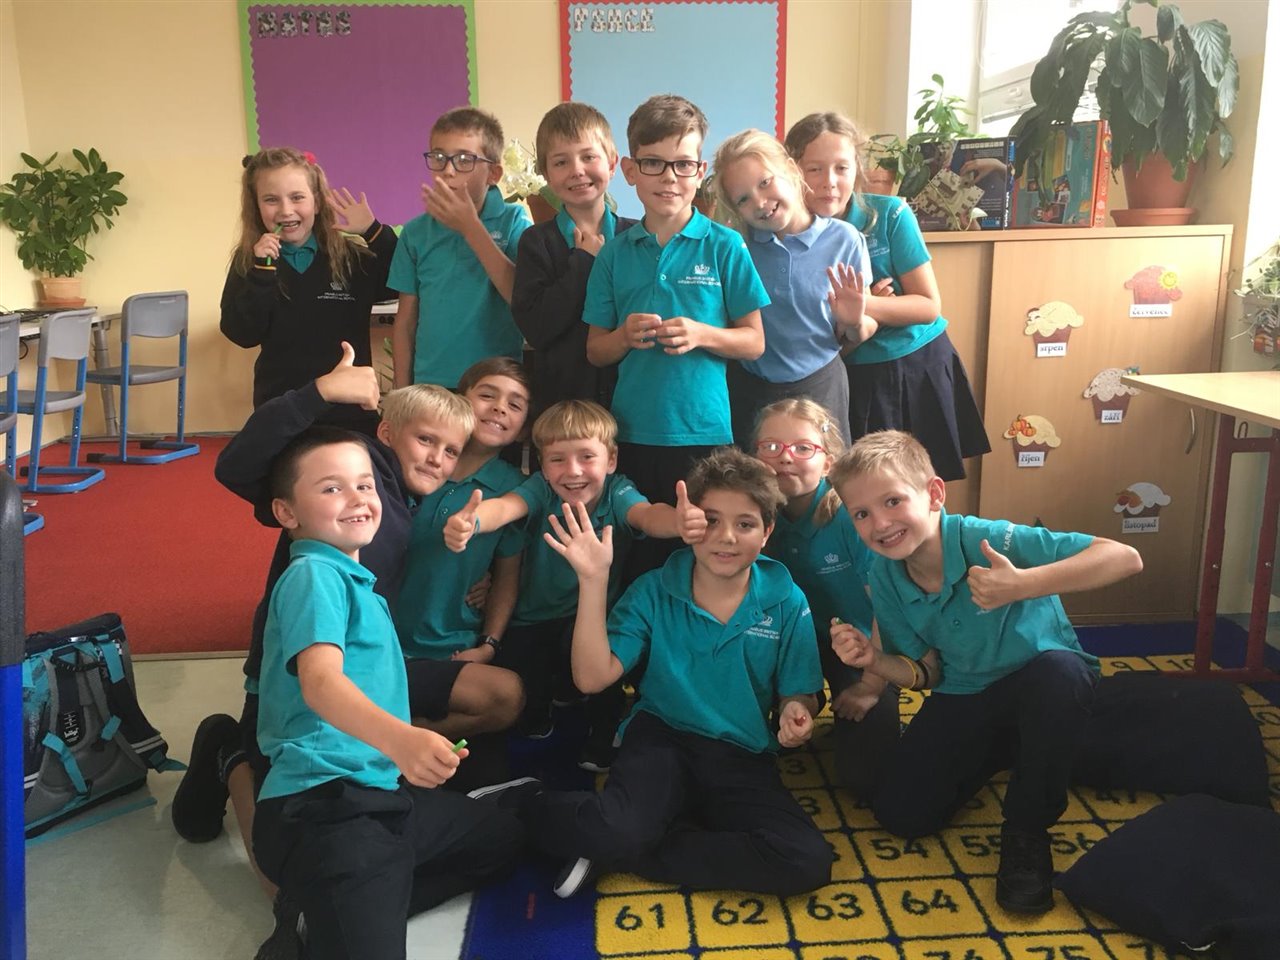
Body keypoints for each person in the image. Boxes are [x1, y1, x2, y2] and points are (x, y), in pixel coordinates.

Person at [171, 350, 506, 956]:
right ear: (386, 435)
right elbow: (240, 467)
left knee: (501, 698)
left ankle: (378, 771)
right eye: (424, 440)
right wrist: (320, 391)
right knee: (291, 887)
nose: (436, 456)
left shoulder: (401, 502)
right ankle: (233, 757)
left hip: (372, 682)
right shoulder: (353, 480)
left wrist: (479, 593)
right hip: (295, 685)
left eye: (450, 450)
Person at [827, 430, 1143, 914]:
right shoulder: (884, 576)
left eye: (893, 501)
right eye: (862, 513)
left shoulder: (988, 538)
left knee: (1061, 674)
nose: (880, 523)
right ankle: (1018, 748)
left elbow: (1124, 557)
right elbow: (926, 674)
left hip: (1043, 682)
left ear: (934, 494)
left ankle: (1027, 830)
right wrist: (873, 661)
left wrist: (1023, 584)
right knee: (902, 815)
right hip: (967, 693)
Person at [253, 428, 523, 960]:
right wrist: (402, 740)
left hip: (385, 797)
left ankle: (329, 911)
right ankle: (334, 911)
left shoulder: (358, 581)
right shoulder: (313, 574)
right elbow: (320, 681)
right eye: (331, 488)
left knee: (505, 841)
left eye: (365, 484)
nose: (357, 498)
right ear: (287, 512)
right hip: (328, 809)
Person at [522, 448, 833, 899]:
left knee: (806, 861)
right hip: (661, 738)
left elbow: (801, 691)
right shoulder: (653, 589)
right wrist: (593, 581)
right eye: (711, 520)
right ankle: (524, 804)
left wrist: (796, 711)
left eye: (745, 524)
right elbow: (591, 679)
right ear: (690, 524)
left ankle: (621, 845)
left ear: (767, 532)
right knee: (623, 828)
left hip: (742, 752)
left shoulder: (787, 599)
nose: (726, 537)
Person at [442, 399, 702, 768]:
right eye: (558, 459)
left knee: (605, 669)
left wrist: (679, 522)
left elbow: (646, 515)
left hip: (593, 618)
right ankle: (549, 707)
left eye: (587, 457)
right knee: (526, 700)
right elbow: (507, 507)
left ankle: (604, 729)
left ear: (611, 460)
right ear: (542, 465)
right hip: (530, 618)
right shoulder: (541, 489)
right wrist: (472, 521)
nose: (573, 471)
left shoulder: (616, 492)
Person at [582, 94, 769, 577]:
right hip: (633, 433)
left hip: (706, 432)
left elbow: (754, 342)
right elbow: (596, 351)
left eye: (683, 164)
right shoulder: (614, 254)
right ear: (629, 170)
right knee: (640, 556)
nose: (669, 177)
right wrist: (624, 336)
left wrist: (703, 334)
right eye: (654, 163)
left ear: (700, 170)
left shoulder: (725, 246)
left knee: (705, 554)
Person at [785, 113, 991, 481]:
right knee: (862, 484)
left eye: (842, 168)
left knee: (924, 484)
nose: (829, 181)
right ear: (792, 170)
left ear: (857, 169)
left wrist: (867, 305)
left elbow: (927, 306)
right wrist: (862, 315)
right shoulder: (786, 234)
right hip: (852, 374)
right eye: (814, 169)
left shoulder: (891, 214)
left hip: (918, 365)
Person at [392, 358, 533, 783]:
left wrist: (489, 642)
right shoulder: (414, 463)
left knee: (506, 699)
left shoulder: (514, 487)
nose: (499, 408)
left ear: (523, 428)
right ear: (461, 402)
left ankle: (403, 739)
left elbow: (507, 574)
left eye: (515, 404)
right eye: (487, 395)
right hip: (381, 646)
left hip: (448, 649)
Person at [751, 398, 897, 798]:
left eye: (803, 448)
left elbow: (887, 608)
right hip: (787, 645)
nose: (785, 458)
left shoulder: (851, 516)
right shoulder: (752, 515)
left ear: (828, 462)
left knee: (864, 779)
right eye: (771, 447)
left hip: (863, 645)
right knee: (752, 748)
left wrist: (871, 685)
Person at [221, 147, 398, 436]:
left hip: (350, 412)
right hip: (282, 409)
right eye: (271, 200)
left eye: (297, 197)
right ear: (256, 207)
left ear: (316, 202)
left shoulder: (351, 259)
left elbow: (401, 283)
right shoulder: (250, 262)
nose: (285, 210)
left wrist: (374, 231)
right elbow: (242, 334)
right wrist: (262, 272)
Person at [712, 129, 871, 447]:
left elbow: (855, 334)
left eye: (764, 182)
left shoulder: (845, 240)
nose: (760, 203)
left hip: (821, 385)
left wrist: (854, 323)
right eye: (743, 199)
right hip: (753, 390)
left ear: (789, 168)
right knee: (756, 474)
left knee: (825, 472)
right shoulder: (737, 247)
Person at [511, 102, 637, 422]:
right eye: (561, 162)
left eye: (588, 157)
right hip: (562, 411)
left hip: (631, 405)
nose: (577, 170)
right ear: (545, 175)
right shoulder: (536, 242)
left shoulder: (638, 238)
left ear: (612, 163)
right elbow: (538, 329)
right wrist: (583, 262)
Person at [390, 107, 531, 389]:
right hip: (431, 386)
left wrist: (471, 228)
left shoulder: (514, 221)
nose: (448, 170)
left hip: (494, 386)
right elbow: (405, 322)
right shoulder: (416, 232)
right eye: (439, 158)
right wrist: (401, 390)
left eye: (465, 159)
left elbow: (521, 297)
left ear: (493, 173)